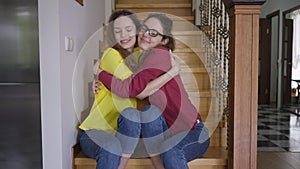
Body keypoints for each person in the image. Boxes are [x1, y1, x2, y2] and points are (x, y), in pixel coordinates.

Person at [96, 13, 211, 169]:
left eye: (154, 33)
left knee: (170, 150)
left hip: (193, 132)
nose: (146, 35)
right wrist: (172, 72)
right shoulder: (144, 58)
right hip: (168, 132)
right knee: (150, 112)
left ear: (164, 40)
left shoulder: (159, 54)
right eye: (144, 29)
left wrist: (100, 73)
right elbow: (141, 92)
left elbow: (128, 89)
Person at [79, 10, 179, 169]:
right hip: (98, 132)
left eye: (128, 29)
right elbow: (133, 89)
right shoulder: (111, 54)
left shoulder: (143, 55)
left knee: (136, 116)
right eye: (117, 31)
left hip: (129, 133)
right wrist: (99, 74)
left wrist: (99, 73)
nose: (123, 35)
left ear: (138, 30)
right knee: (113, 145)